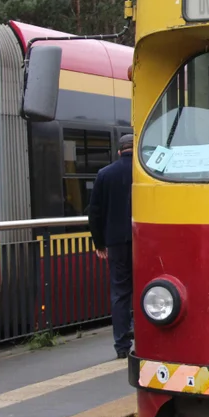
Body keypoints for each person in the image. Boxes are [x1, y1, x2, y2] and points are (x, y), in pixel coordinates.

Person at [88, 134, 133, 360]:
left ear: (119, 152)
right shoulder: (150, 173)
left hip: (115, 242)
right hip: (144, 241)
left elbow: (94, 212)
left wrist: (99, 243)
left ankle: (122, 345)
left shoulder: (104, 174)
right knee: (148, 288)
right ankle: (146, 336)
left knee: (120, 291)